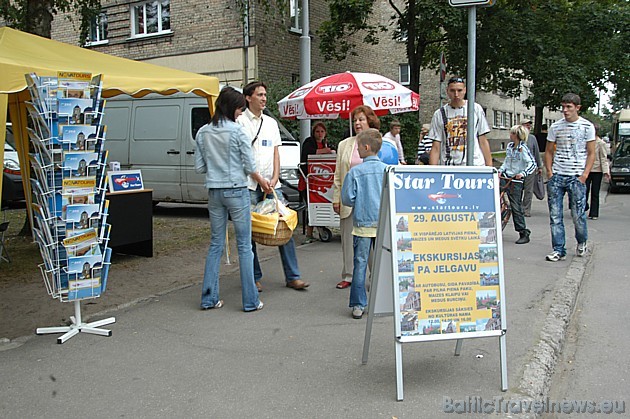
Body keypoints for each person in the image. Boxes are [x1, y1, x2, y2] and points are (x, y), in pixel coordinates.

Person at [195, 86, 265, 311]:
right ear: (231, 108)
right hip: (237, 189)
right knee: (245, 246)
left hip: (214, 191)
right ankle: (251, 301)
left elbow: (199, 167)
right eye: (239, 109)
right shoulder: (238, 132)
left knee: (216, 244)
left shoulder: (203, 132)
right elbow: (250, 165)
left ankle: (209, 298)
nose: (241, 113)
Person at [237, 81, 310, 292]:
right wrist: (260, 179)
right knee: (249, 231)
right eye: (259, 94)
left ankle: (293, 276)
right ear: (248, 98)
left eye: (265, 95)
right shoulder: (240, 122)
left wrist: (275, 177)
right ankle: (254, 277)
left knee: (284, 226)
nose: (264, 98)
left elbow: (276, 152)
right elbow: (243, 157)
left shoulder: (270, 122)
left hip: (272, 184)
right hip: (250, 184)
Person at [341, 128, 387, 319]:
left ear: (366, 147)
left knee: (359, 264)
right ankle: (384, 300)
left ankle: (359, 304)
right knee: (382, 263)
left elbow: (347, 198)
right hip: (383, 223)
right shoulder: (387, 170)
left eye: (358, 146)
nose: (356, 149)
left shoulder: (355, 172)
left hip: (362, 224)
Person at [333, 105, 381, 290]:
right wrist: (336, 198)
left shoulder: (378, 142)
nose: (357, 123)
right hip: (349, 196)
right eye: (355, 120)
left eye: (361, 119)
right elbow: (338, 174)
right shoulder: (344, 144)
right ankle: (349, 275)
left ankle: (375, 275)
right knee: (347, 238)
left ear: (370, 120)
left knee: (370, 240)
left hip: (370, 199)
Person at [544, 93, 595, 262]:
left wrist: (584, 175)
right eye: (563, 107)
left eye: (569, 107)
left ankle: (581, 241)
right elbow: (549, 151)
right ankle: (558, 249)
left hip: (576, 176)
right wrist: (550, 173)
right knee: (555, 216)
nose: (565, 111)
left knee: (578, 215)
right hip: (558, 175)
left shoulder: (587, 127)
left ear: (577, 108)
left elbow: (591, 152)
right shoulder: (556, 127)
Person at [428, 77, 493, 167]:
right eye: (452, 90)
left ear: (465, 90)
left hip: (474, 164)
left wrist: (490, 168)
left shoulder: (475, 109)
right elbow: (436, 146)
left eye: (459, 90)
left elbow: (482, 140)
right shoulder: (439, 114)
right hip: (449, 166)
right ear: (447, 91)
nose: (456, 94)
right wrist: (432, 172)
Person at [498, 125, 537, 244]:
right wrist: (500, 170)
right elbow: (507, 161)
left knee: (516, 206)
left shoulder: (523, 148)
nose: (510, 135)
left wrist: (523, 173)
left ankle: (523, 232)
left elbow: (532, 164)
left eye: (512, 134)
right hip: (506, 177)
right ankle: (496, 223)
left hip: (516, 180)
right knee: (496, 199)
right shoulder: (510, 146)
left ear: (517, 136)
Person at [298, 122, 334, 244]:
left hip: (320, 182)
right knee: (311, 206)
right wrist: (326, 150)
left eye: (322, 131)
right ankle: (309, 234)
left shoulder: (325, 143)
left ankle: (319, 227)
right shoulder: (309, 142)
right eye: (317, 131)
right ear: (313, 132)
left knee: (318, 204)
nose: (320, 134)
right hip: (308, 180)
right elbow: (310, 154)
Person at [585, 124, 610, 220]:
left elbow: (603, 158)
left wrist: (606, 172)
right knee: (584, 191)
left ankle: (594, 213)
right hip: (586, 169)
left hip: (597, 170)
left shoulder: (601, 143)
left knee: (595, 192)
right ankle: (584, 206)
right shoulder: (586, 142)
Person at [520, 119, 542, 217]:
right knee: (518, 189)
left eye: (529, 125)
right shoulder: (517, 136)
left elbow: (536, 152)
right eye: (526, 125)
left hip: (530, 168)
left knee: (529, 190)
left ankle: (526, 210)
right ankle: (517, 208)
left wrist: (539, 166)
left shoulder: (532, 138)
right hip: (518, 167)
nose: (528, 127)